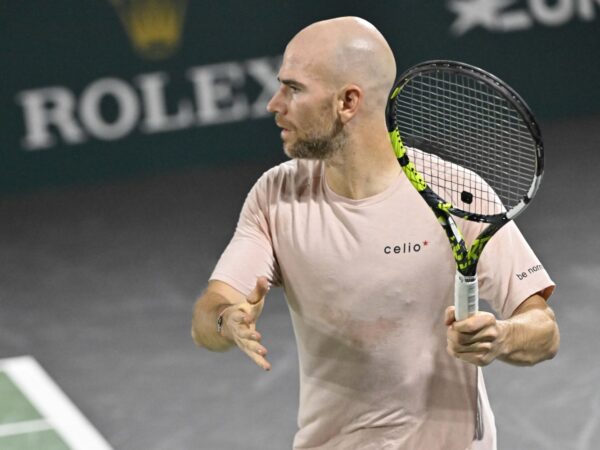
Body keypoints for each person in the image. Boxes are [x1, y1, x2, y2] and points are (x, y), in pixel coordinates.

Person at [191, 16, 559, 450]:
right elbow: (209, 313)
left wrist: (501, 337)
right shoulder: (276, 195)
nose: (274, 103)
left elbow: (543, 330)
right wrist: (227, 320)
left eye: (293, 89)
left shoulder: (455, 192)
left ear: (348, 102)